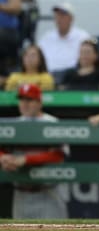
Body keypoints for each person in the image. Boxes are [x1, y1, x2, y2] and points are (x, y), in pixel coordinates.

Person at [0, 84, 68, 219]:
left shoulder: (52, 122)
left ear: (39, 102)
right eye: (21, 100)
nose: (24, 104)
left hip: (47, 193)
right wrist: (2, 157)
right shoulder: (14, 124)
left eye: (29, 100)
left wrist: (26, 160)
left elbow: (58, 155)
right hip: (20, 194)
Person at [38, 2, 90, 82]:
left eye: (63, 15)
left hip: (73, 76)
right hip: (48, 76)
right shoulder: (46, 37)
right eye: (57, 15)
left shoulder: (82, 37)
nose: (59, 19)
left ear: (71, 18)